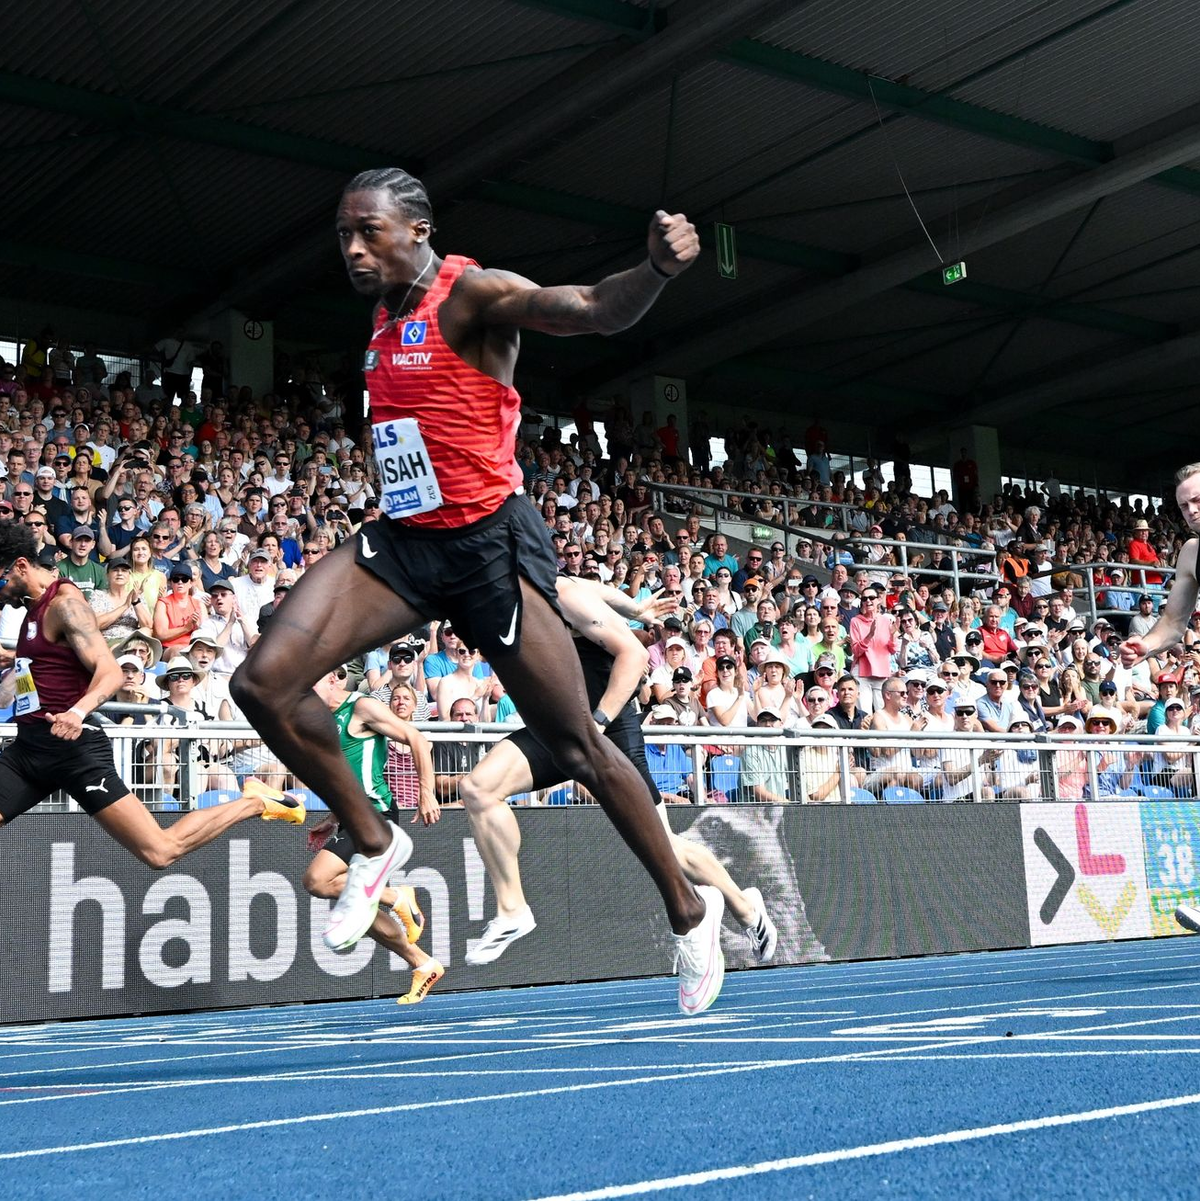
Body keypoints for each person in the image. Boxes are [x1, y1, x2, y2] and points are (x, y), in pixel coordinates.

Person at [230, 168, 724, 1013]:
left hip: (489, 547)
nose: (351, 248)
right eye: (343, 234)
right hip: (406, 541)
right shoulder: (383, 311)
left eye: (368, 232)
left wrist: (657, 271)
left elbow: (593, 309)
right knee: (261, 683)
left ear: (417, 231)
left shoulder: (473, 296)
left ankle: (689, 912)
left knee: (577, 747)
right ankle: (374, 842)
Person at [456, 575, 775, 968]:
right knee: (478, 788)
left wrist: (598, 723)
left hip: (606, 727)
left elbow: (635, 656)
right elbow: (605, 594)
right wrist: (636, 608)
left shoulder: (560, 594)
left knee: (665, 847)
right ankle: (512, 909)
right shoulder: (504, 605)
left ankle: (745, 907)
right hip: (557, 726)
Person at [0, 522, 301, 865]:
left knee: (160, 851)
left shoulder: (66, 605)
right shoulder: (31, 610)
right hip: (29, 748)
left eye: (1, 579)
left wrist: (77, 712)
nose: (0, 589)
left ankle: (255, 802)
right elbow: (51, 660)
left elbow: (110, 671)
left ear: (21, 566)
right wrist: (15, 657)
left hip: (73, 751)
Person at [304, 669, 443, 1005]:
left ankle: (397, 897)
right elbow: (347, 778)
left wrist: (427, 793)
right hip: (351, 816)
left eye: (310, 684)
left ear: (335, 680)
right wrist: (332, 818)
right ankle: (422, 963)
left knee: (317, 881)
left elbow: (417, 740)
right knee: (355, 908)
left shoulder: (361, 707)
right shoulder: (324, 722)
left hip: (375, 814)